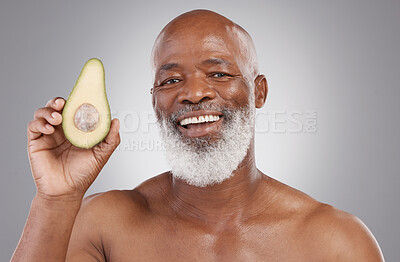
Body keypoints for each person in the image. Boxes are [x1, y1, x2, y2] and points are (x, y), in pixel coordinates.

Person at [12, 9, 384, 261]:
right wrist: (56, 199)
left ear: (260, 92)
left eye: (219, 74)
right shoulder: (104, 225)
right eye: (171, 80)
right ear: (155, 102)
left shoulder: (337, 242)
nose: (193, 93)